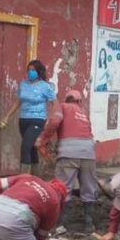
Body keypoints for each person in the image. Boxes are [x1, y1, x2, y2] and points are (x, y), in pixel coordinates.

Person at [37, 89, 98, 232]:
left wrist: (42, 139)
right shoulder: (84, 113)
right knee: (89, 187)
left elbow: (54, 121)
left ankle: (60, 224)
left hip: (68, 153)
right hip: (88, 153)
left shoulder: (62, 106)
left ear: (67, 99)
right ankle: (89, 224)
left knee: (63, 187)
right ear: (79, 101)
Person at [0, 60, 56, 175]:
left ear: (39, 72)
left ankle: (22, 178)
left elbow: (55, 104)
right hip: (23, 120)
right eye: (29, 70)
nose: (31, 72)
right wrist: (7, 116)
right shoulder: (23, 84)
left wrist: (51, 121)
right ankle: (35, 179)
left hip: (38, 120)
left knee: (25, 146)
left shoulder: (45, 87)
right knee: (32, 149)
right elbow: (19, 102)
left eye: (33, 70)